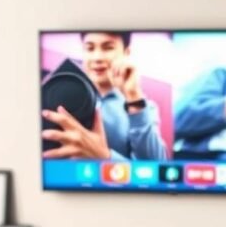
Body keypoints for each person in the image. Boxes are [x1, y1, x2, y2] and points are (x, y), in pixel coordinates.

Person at [42, 31, 166, 162]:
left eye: (108, 48)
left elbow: (154, 168)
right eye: (90, 48)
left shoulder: (144, 108)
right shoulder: (57, 90)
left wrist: (104, 157)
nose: (97, 58)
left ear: (126, 53)